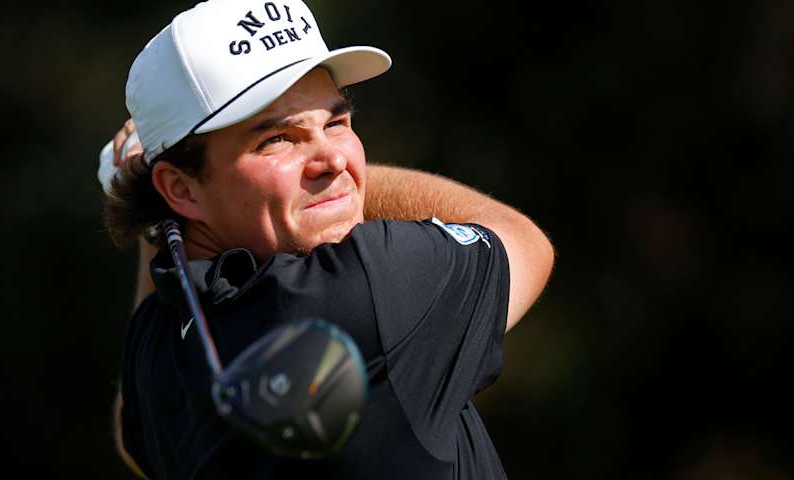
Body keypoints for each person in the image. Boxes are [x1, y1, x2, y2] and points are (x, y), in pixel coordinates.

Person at [102, 0, 554, 478]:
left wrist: (155, 216)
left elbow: (136, 436)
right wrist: (345, 185)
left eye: (336, 123)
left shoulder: (155, 340)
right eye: (277, 139)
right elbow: (523, 241)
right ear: (180, 188)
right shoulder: (367, 286)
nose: (334, 160)